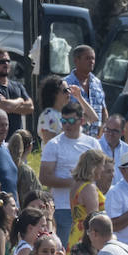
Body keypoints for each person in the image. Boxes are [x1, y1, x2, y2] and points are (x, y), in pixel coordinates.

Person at [39, 101, 99, 242]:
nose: (67, 125)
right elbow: (44, 177)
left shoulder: (92, 143)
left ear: (81, 121)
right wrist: (74, 182)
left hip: (90, 207)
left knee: (90, 250)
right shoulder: (54, 145)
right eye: (64, 121)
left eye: (71, 120)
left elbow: (101, 173)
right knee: (67, 252)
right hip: (63, 207)